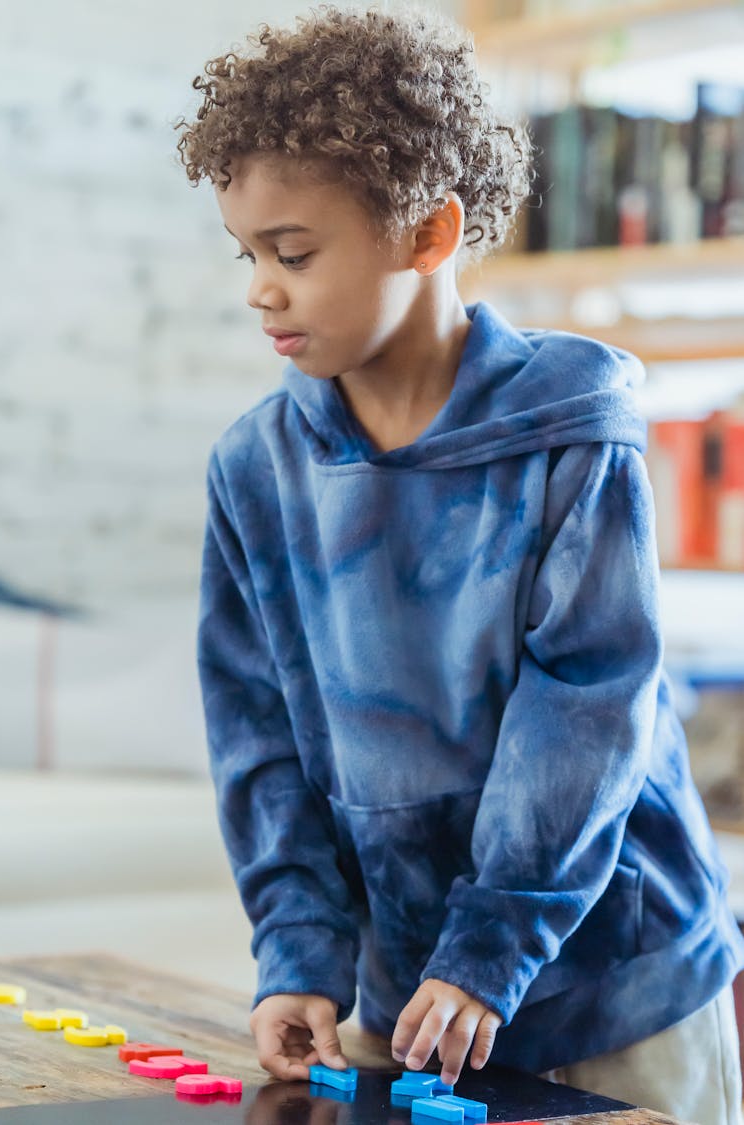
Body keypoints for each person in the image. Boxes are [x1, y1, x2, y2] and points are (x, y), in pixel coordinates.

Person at [174, 6, 744, 1122]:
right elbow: (260, 741)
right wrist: (298, 949)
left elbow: (587, 708)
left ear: (429, 235)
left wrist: (493, 945)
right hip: (414, 999)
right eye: (248, 254)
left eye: (293, 253)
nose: (260, 288)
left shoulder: (571, 431)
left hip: (617, 991)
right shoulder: (255, 469)